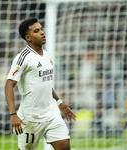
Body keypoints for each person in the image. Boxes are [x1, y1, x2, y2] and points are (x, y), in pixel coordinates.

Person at [5, 18, 76, 150]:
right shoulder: (23, 57)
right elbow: (9, 85)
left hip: (52, 114)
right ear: (28, 37)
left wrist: (59, 103)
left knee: (65, 147)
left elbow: (46, 84)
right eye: (36, 31)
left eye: (42, 29)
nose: (42, 32)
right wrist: (13, 115)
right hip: (31, 118)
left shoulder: (47, 55)